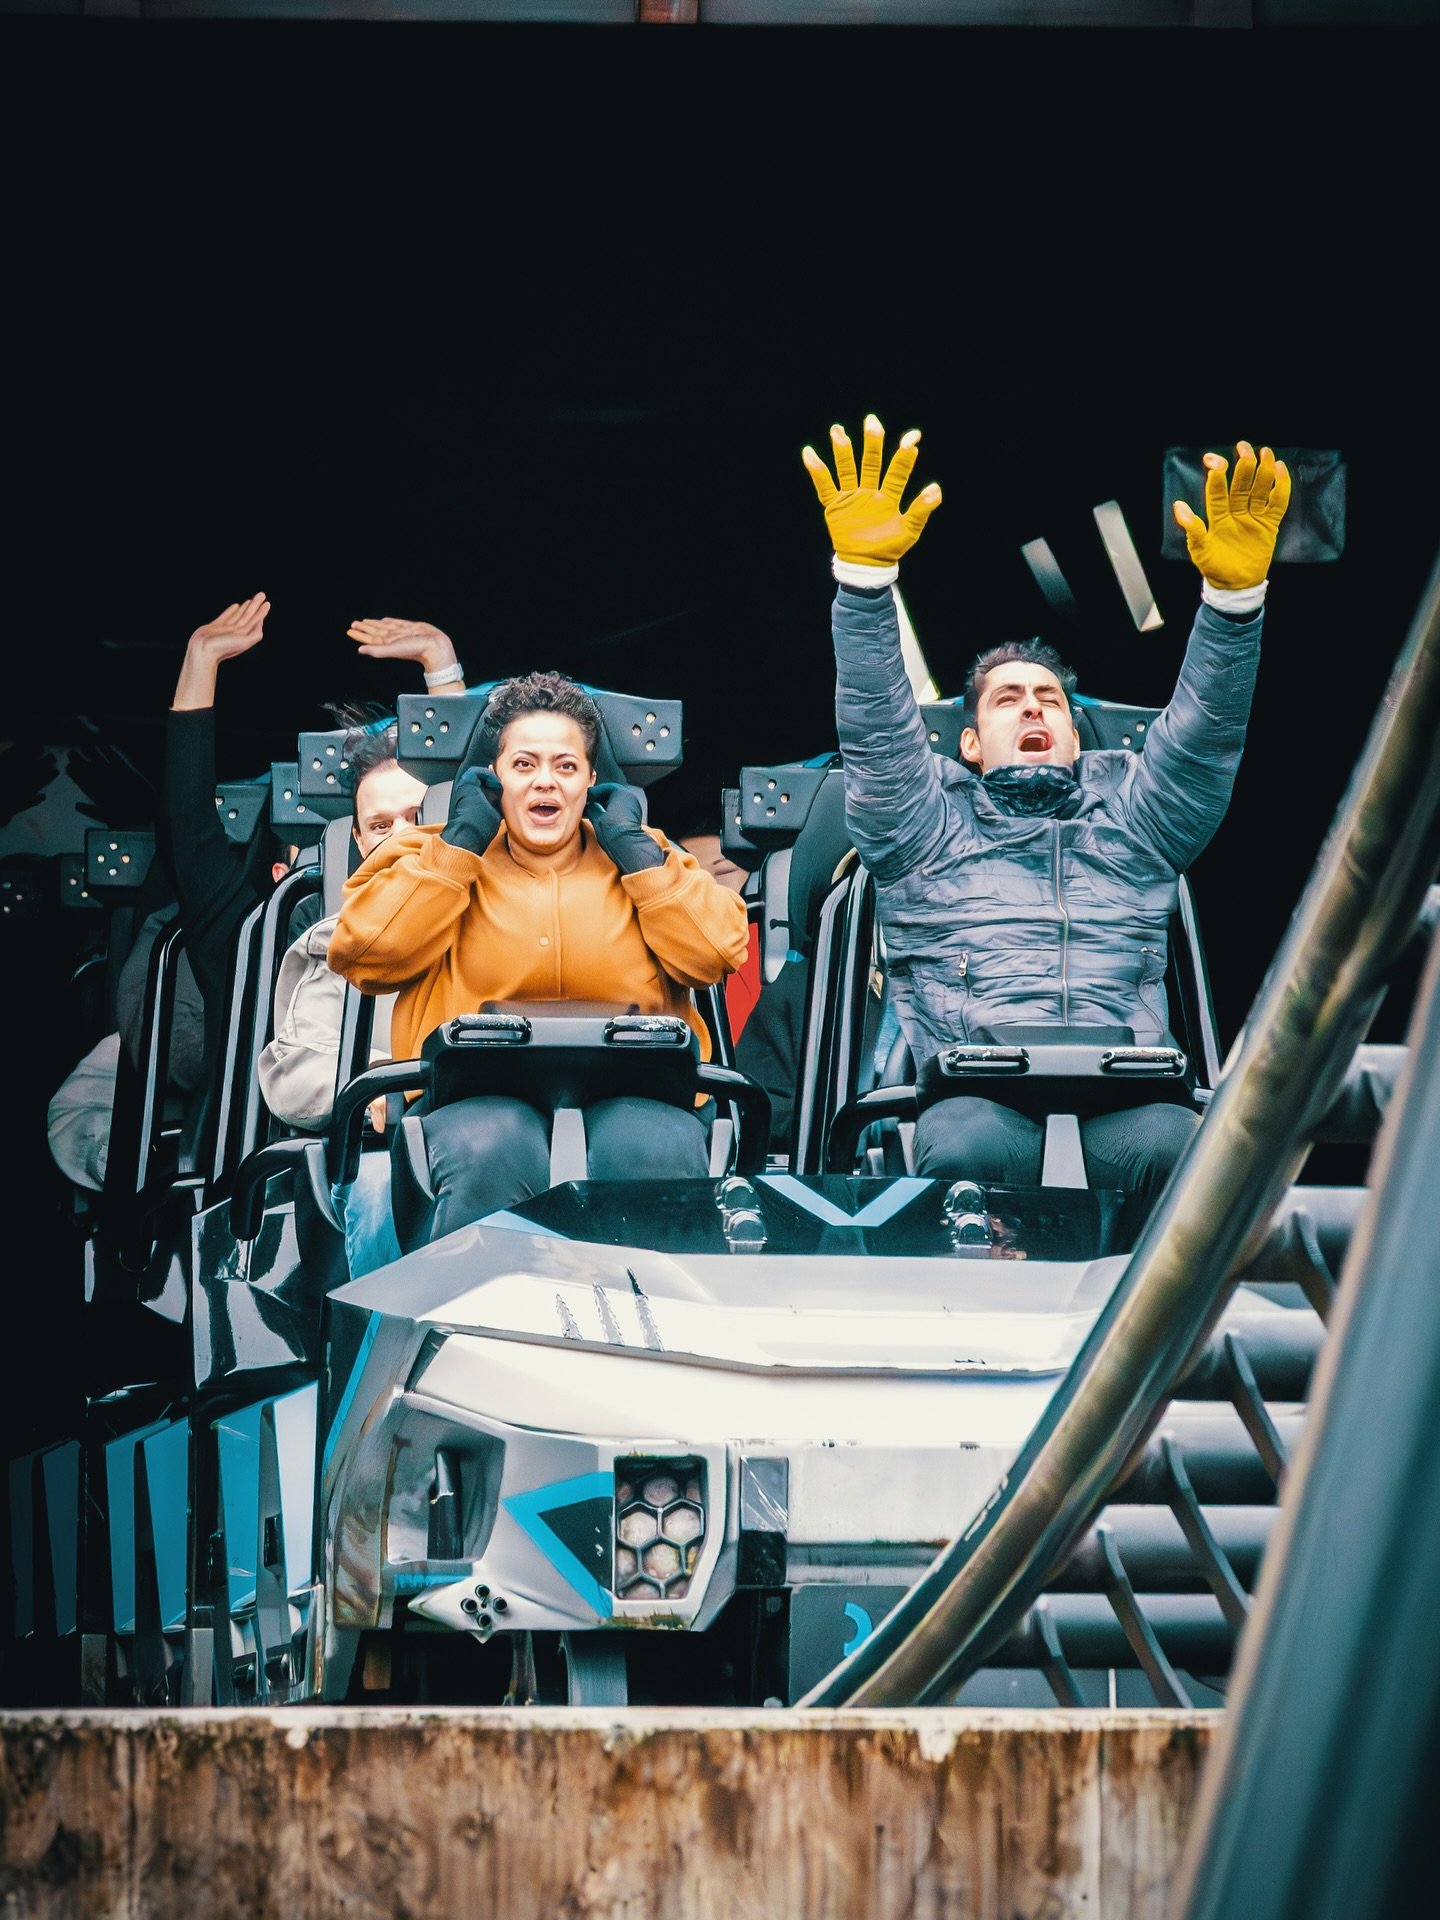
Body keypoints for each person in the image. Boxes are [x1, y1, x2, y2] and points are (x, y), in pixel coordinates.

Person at [801, 414, 1290, 1206]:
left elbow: (1203, 738)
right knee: (970, 1145)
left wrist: (1235, 602)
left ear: (1071, 731)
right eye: (1007, 700)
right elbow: (878, 725)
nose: (1033, 710)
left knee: (1183, 1148)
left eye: (1049, 700)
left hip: (1129, 1098)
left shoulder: (1135, 819)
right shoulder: (922, 825)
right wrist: (863, 586)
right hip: (973, 1100)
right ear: (968, 743)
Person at [328, 669, 750, 1241]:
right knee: (494, 1146)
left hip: (640, 1097)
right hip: (470, 1101)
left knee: (651, 1149)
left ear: (591, 780)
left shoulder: (646, 852)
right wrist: (459, 847)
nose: (545, 781)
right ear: (493, 776)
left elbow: (716, 953)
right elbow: (366, 953)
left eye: (565, 766)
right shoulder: (427, 851)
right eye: (524, 764)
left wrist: (638, 857)